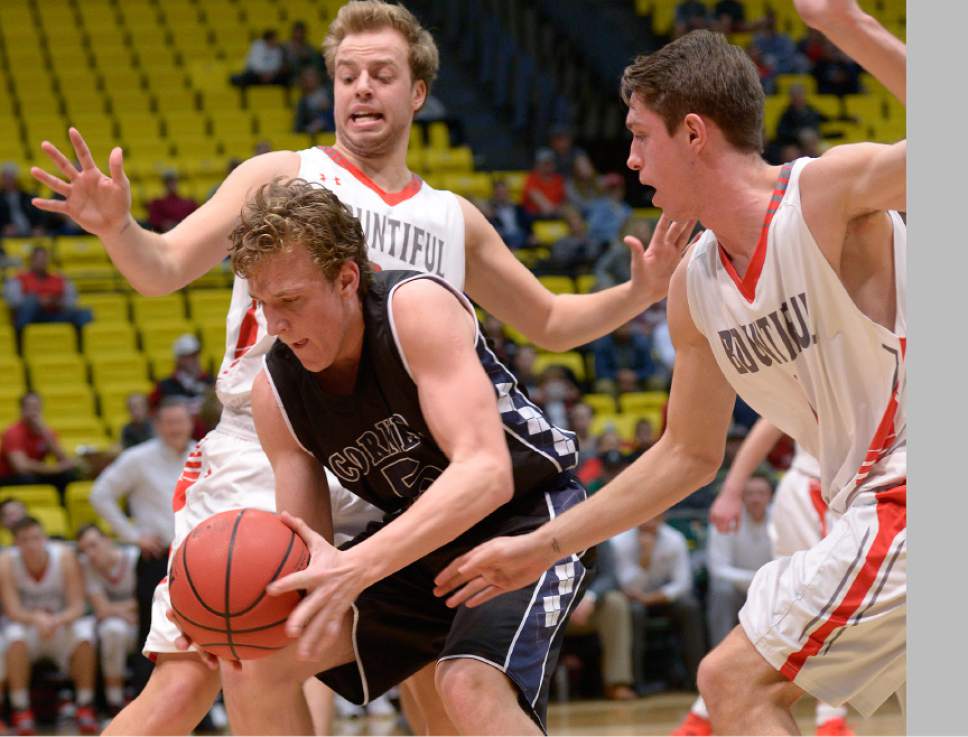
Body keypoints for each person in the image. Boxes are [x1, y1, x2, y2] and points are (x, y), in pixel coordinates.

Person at [28, 1, 693, 732]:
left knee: (439, 681)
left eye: (381, 74)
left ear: (416, 94)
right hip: (272, 444)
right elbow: (161, 268)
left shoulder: (453, 217)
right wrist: (119, 227)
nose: (361, 89)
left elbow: (552, 322)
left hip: (402, 471)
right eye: (346, 76)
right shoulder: (283, 175)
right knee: (217, 665)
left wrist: (638, 292)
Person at [434, 2, 906, 733]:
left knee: (733, 680)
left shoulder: (826, 194)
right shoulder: (694, 287)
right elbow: (686, 454)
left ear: (693, 133)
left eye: (639, 137)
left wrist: (846, 25)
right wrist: (542, 547)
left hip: (910, 488)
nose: (630, 160)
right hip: (859, 506)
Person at [219, 178, 590, 736]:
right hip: (421, 546)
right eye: (264, 305)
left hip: (527, 517)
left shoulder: (414, 308)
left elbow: (486, 472)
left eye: (291, 300)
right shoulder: (276, 391)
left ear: (347, 278)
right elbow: (308, 551)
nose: (276, 324)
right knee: (255, 660)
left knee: (466, 683)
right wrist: (233, 605)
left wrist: (361, 565)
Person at [687, 416, 858, 736]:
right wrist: (732, 490)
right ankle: (830, 717)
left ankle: (699, 718)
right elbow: (771, 421)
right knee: (830, 605)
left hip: (825, 492)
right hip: (817, 491)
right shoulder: (832, 367)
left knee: (780, 609)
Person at [90, 398, 195, 693]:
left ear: (190, 422)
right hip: (156, 557)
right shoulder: (138, 458)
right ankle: (144, 702)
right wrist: (133, 535)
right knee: (153, 634)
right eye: (169, 422)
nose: (176, 428)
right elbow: (101, 494)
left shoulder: (204, 452)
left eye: (181, 421)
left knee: (200, 632)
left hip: (196, 558)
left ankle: (204, 710)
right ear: (158, 426)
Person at [0, 517, 98, 735]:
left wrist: (56, 620)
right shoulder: (6, 562)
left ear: (44, 538)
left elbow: (77, 606)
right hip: (28, 625)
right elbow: (12, 610)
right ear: (16, 544)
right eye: (24, 540)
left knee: (84, 635)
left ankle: (85, 704)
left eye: (36, 538)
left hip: (59, 624)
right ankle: (21, 709)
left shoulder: (63, 556)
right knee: (13, 636)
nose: (32, 544)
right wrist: (37, 619)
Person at [613, 515, 705, 693]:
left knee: (689, 607)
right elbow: (626, 586)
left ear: (663, 516)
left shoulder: (675, 539)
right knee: (634, 612)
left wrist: (658, 596)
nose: (650, 520)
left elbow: (683, 583)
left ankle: (696, 679)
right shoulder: (620, 541)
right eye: (646, 515)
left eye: (657, 515)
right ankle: (635, 683)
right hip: (633, 599)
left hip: (663, 597)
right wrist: (645, 559)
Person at [76, 524, 140, 717]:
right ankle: (115, 702)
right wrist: (128, 610)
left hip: (144, 620)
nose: (90, 553)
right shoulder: (86, 566)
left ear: (108, 541)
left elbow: (152, 596)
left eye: (93, 545)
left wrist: (121, 610)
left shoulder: (135, 557)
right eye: (85, 549)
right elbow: (101, 609)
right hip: (116, 623)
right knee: (113, 631)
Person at [562, 539, 635, 701]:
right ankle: (524, 685)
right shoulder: (540, 524)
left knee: (616, 603)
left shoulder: (597, 529)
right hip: (548, 606)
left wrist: (590, 598)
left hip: (587, 610)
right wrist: (566, 601)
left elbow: (610, 577)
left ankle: (617, 683)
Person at [0, 392, 80, 499]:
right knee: (27, 479)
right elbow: (21, 467)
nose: (34, 411)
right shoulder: (13, 432)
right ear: (22, 409)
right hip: (10, 477)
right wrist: (55, 469)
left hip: (37, 473)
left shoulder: (47, 432)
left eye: (37, 407)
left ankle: (63, 507)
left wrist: (45, 433)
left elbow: (62, 459)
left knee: (68, 476)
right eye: (30, 407)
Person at [3, 245, 93, 332]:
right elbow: (13, 302)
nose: (42, 261)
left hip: (54, 314)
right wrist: (39, 301)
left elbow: (72, 302)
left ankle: (79, 344)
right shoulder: (19, 278)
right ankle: (20, 338)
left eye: (45, 258)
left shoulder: (59, 279)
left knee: (85, 313)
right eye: (39, 258)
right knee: (31, 299)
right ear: (32, 260)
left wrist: (57, 302)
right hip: (32, 317)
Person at [148, 334, 214, 421]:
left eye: (196, 355)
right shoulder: (164, 386)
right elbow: (151, 412)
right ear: (178, 359)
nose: (195, 359)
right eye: (189, 356)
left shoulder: (210, 382)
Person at [0, 163, 45, 237]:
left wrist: (38, 226)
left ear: (16, 179)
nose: (7, 181)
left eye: (10, 178)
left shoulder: (27, 197)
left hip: (29, 229)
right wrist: (4, 227)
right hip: (7, 232)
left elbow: (38, 214)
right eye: (5, 178)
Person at [521, 147, 567, 219]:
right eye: (546, 163)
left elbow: (564, 201)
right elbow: (543, 205)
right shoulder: (532, 179)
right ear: (538, 164)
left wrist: (561, 209)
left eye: (551, 162)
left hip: (557, 215)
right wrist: (556, 209)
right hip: (535, 217)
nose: (549, 166)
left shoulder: (559, 179)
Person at [294, 67, 335, 134]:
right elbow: (297, 127)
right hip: (312, 137)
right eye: (307, 77)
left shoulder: (330, 94)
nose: (310, 80)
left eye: (312, 76)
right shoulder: (303, 103)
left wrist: (329, 108)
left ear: (318, 78)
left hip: (332, 134)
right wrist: (309, 128)